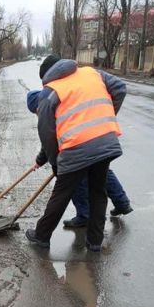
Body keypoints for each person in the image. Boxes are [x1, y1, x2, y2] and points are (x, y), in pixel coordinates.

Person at [25, 55, 127, 252]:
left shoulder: (50, 91)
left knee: (61, 193)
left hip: (75, 149)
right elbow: (120, 88)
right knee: (98, 193)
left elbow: (47, 133)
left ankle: (41, 236)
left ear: (47, 75)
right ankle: (95, 242)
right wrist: (105, 119)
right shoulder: (92, 73)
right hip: (105, 142)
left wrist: (55, 162)